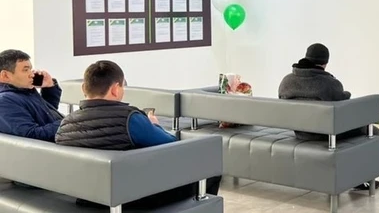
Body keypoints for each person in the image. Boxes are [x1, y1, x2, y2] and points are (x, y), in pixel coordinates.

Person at [55, 60, 221, 208]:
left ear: (84, 88)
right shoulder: (130, 120)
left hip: (86, 198)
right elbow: (172, 145)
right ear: (115, 89)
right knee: (210, 169)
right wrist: (154, 125)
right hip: (133, 199)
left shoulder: (65, 124)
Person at [278, 43, 379, 191]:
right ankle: (361, 180)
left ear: (307, 57)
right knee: (373, 132)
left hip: (300, 133)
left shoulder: (287, 81)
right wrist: (347, 94)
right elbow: (342, 103)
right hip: (326, 135)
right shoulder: (329, 83)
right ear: (325, 62)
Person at [0, 49, 63, 141]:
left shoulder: (24, 91)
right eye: (25, 70)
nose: (32, 74)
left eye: (30, 69)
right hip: (54, 145)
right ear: (5, 76)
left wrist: (49, 88)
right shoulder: (5, 101)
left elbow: (45, 115)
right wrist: (69, 123)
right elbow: (32, 135)